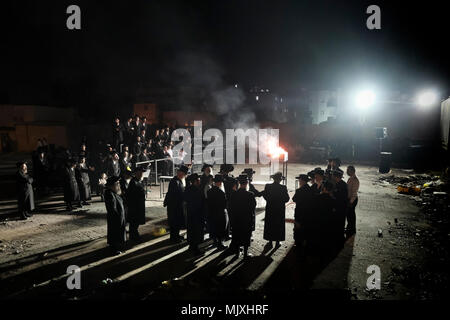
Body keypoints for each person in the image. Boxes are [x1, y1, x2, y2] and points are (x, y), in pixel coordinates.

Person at [305, 180, 337, 260]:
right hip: (326, 223)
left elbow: (311, 210)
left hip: (316, 222)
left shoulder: (316, 198)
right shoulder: (332, 200)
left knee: (315, 239)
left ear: (324, 188)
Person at [228, 175, 256, 259]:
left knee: (236, 235)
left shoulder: (234, 194)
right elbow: (253, 206)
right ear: (247, 183)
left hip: (236, 219)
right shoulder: (250, 194)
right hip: (246, 219)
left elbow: (230, 207)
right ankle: (245, 254)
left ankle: (237, 253)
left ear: (239, 183)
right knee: (246, 236)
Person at [263, 172, 290, 248]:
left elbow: (265, 196)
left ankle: (270, 241)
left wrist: (270, 200)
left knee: (270, 224)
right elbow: (287, 199)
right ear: (280, 180)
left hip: (270, 208)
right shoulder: (283, 187)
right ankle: (277, 242)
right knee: (278, 225)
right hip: (279, 209)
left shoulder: (268, 186)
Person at [164, 165, 188, 242]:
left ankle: (176, 236)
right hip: (174, 206)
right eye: (182, 173)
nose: (183, 175)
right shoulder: (175, 181)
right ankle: (174, 238)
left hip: (178, 206)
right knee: (174, 223)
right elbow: (175, 195)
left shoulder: (180, 180)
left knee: (177, 223)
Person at [104, 176, 127, 255]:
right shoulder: (109, 194)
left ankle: (116, 248)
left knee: (117, 234)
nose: (119, 185)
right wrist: (117, 218)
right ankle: (113, 250)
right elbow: (112, 209)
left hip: (118, 218)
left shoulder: (114, 193)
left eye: (118, 183)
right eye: (117, 184)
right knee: (114, 234)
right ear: (112, 185)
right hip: (115, 219)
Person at [184, 173, 205, 255]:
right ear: (195, 181)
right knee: (197, 232)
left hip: (190, 213)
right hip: (197, 214)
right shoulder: (198, 190)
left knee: (191, 230)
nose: (200, 180)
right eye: (198, 179)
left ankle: (191, 246)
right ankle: (195, 248)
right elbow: (201, 203)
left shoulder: (188, 189)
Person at [207, 175, 229, 250]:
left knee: (214, 228)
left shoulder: (209, 191)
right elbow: (224, 205)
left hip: (212, 213)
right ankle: (220, 244)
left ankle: (214, 242)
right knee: (220, 229)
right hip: (220, 214)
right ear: (220, 183)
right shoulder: (221, 193)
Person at [292, 174, 313, 250]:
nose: (299, 181)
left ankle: (298, 243)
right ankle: (305, 242)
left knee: (298, 229)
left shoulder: (299, 190)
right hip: (308, 212)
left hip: (299, 212)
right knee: (306, 228)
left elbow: (294, 199)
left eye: (300, 180)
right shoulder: (310, 189)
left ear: (302, 181)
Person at [126, 166, 147, 242]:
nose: (142, 174)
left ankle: (134, 236)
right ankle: (134, 237)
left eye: (142, 172)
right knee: (134, 223)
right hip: (135, 207)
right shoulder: (133, 182)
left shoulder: (139, 181)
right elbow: (131, 195)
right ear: (137, 173)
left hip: (139, 206)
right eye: (141, 172)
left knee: (136, 223)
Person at [331, 168, 348, 249]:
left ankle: (340, 241)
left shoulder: (342, 185)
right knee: (337, 224)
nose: (332, 178)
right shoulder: (338, 184)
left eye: (333, 176)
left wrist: (333, 195)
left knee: (340, 224)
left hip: (341, 208)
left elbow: (341, 199)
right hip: (339, 208)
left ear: (336, 177)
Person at [346, 165, 360, 237]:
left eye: (348, 170)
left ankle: (352, 229)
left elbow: (354, 193)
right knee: (349, 215)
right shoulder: (350, 179)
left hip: (352, 200)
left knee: (351, 216)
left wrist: (350, 202)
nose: (347, 172)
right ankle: (349, 228)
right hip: (349, 199)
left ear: (352, 171)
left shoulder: (355, 180)